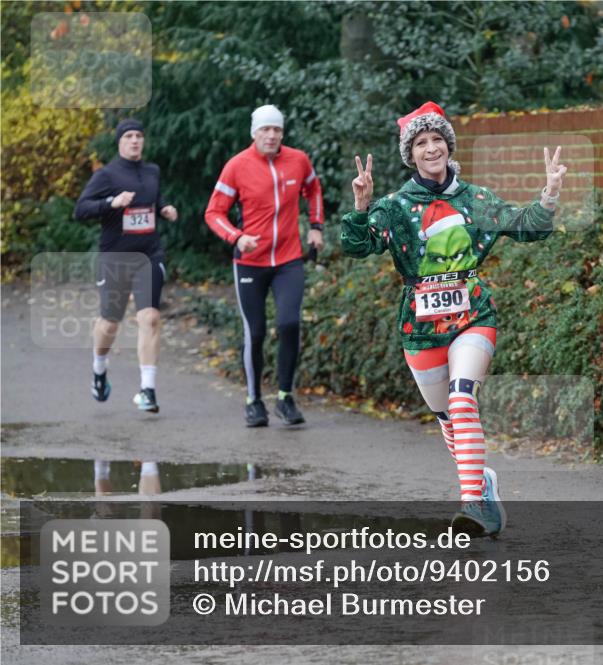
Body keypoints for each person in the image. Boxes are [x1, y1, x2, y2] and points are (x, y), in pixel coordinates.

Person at [340, 101, 567, 537]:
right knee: (447, 417)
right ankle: (481, 482)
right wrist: (361, 205)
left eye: (437, 140)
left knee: (463, 400)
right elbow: (358, 245)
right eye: (421, 143)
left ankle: (473, 505)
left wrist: (550, 193)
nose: (431, 149)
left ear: (448, 145)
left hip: (472, 316)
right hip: (421, 328)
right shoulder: (396, 205)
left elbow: (527, 226)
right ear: (411, 155)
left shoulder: (474, 199)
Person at [204, 104, 325, 427]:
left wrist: (316, 226)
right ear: (254, 132)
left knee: (289, 323)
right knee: (255, 332)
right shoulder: (237, 166)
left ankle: (285, 397)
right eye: (265, 129)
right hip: (250, 263)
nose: (271, 135)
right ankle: (253, 400)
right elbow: (213, 212)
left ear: (282, 133)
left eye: (277, 129)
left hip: (288, 259)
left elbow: (313, 189)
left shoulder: (298, 160)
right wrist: (236, 237)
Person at [74, 118, 178, 413]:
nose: (135, 141)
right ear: (119, 141)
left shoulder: (152, 171)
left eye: (139, 136)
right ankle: (99, 369)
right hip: (115, 259)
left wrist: (164, 208)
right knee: (110, 322)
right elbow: (80, 210)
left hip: (148, 256)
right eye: (129, 136)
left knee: (150, 317)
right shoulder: (106, 175)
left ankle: (148, 391)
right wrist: (112, 202)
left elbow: (154, 198)